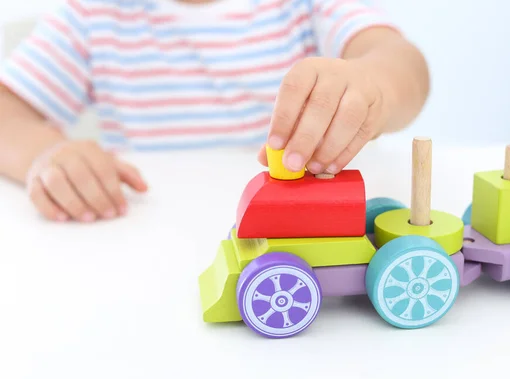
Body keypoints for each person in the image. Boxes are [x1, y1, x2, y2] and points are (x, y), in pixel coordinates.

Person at [0, 0, 429, 223]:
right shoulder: (92, 14)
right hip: (147, 234)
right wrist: (46, 154)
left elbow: (402, 62)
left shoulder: (306, 6)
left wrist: (374, 87)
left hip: (294, 228)